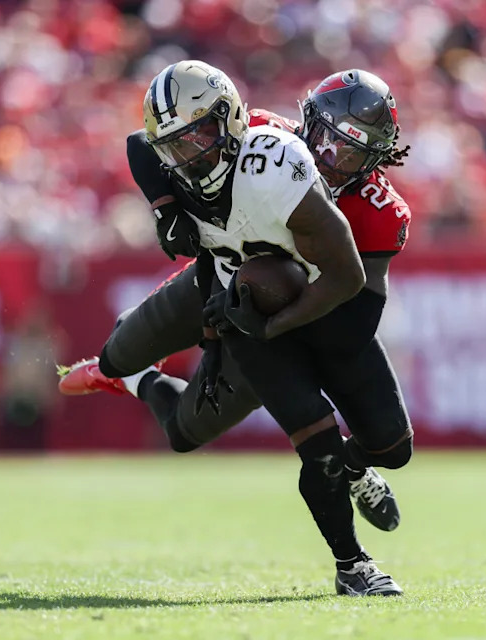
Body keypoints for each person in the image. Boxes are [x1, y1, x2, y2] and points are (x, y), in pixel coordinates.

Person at [62, 62, 411, 595]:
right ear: (307, 120)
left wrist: (272, 323)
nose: (330, 156)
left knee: (392, 446)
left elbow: (350, 316)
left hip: (313, 313)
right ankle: (127, 375)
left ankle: (356, 468)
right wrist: (164, 209)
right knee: (147, 387)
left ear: (377, 157)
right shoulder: (258, 141)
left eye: (353, 148)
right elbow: (144, 143)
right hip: (231, 288)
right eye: (327, 137)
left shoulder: (368, 206)